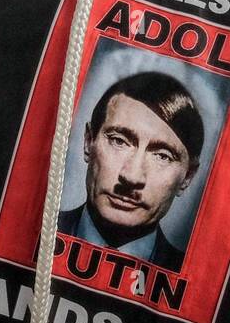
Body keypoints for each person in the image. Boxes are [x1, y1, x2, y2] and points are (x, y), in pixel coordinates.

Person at [58, 71, 204, 273]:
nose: (132, 176)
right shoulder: (30, 229)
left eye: (162, 156)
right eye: (119, 141)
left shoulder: (193, 277)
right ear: (88, 142)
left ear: (187, 177)